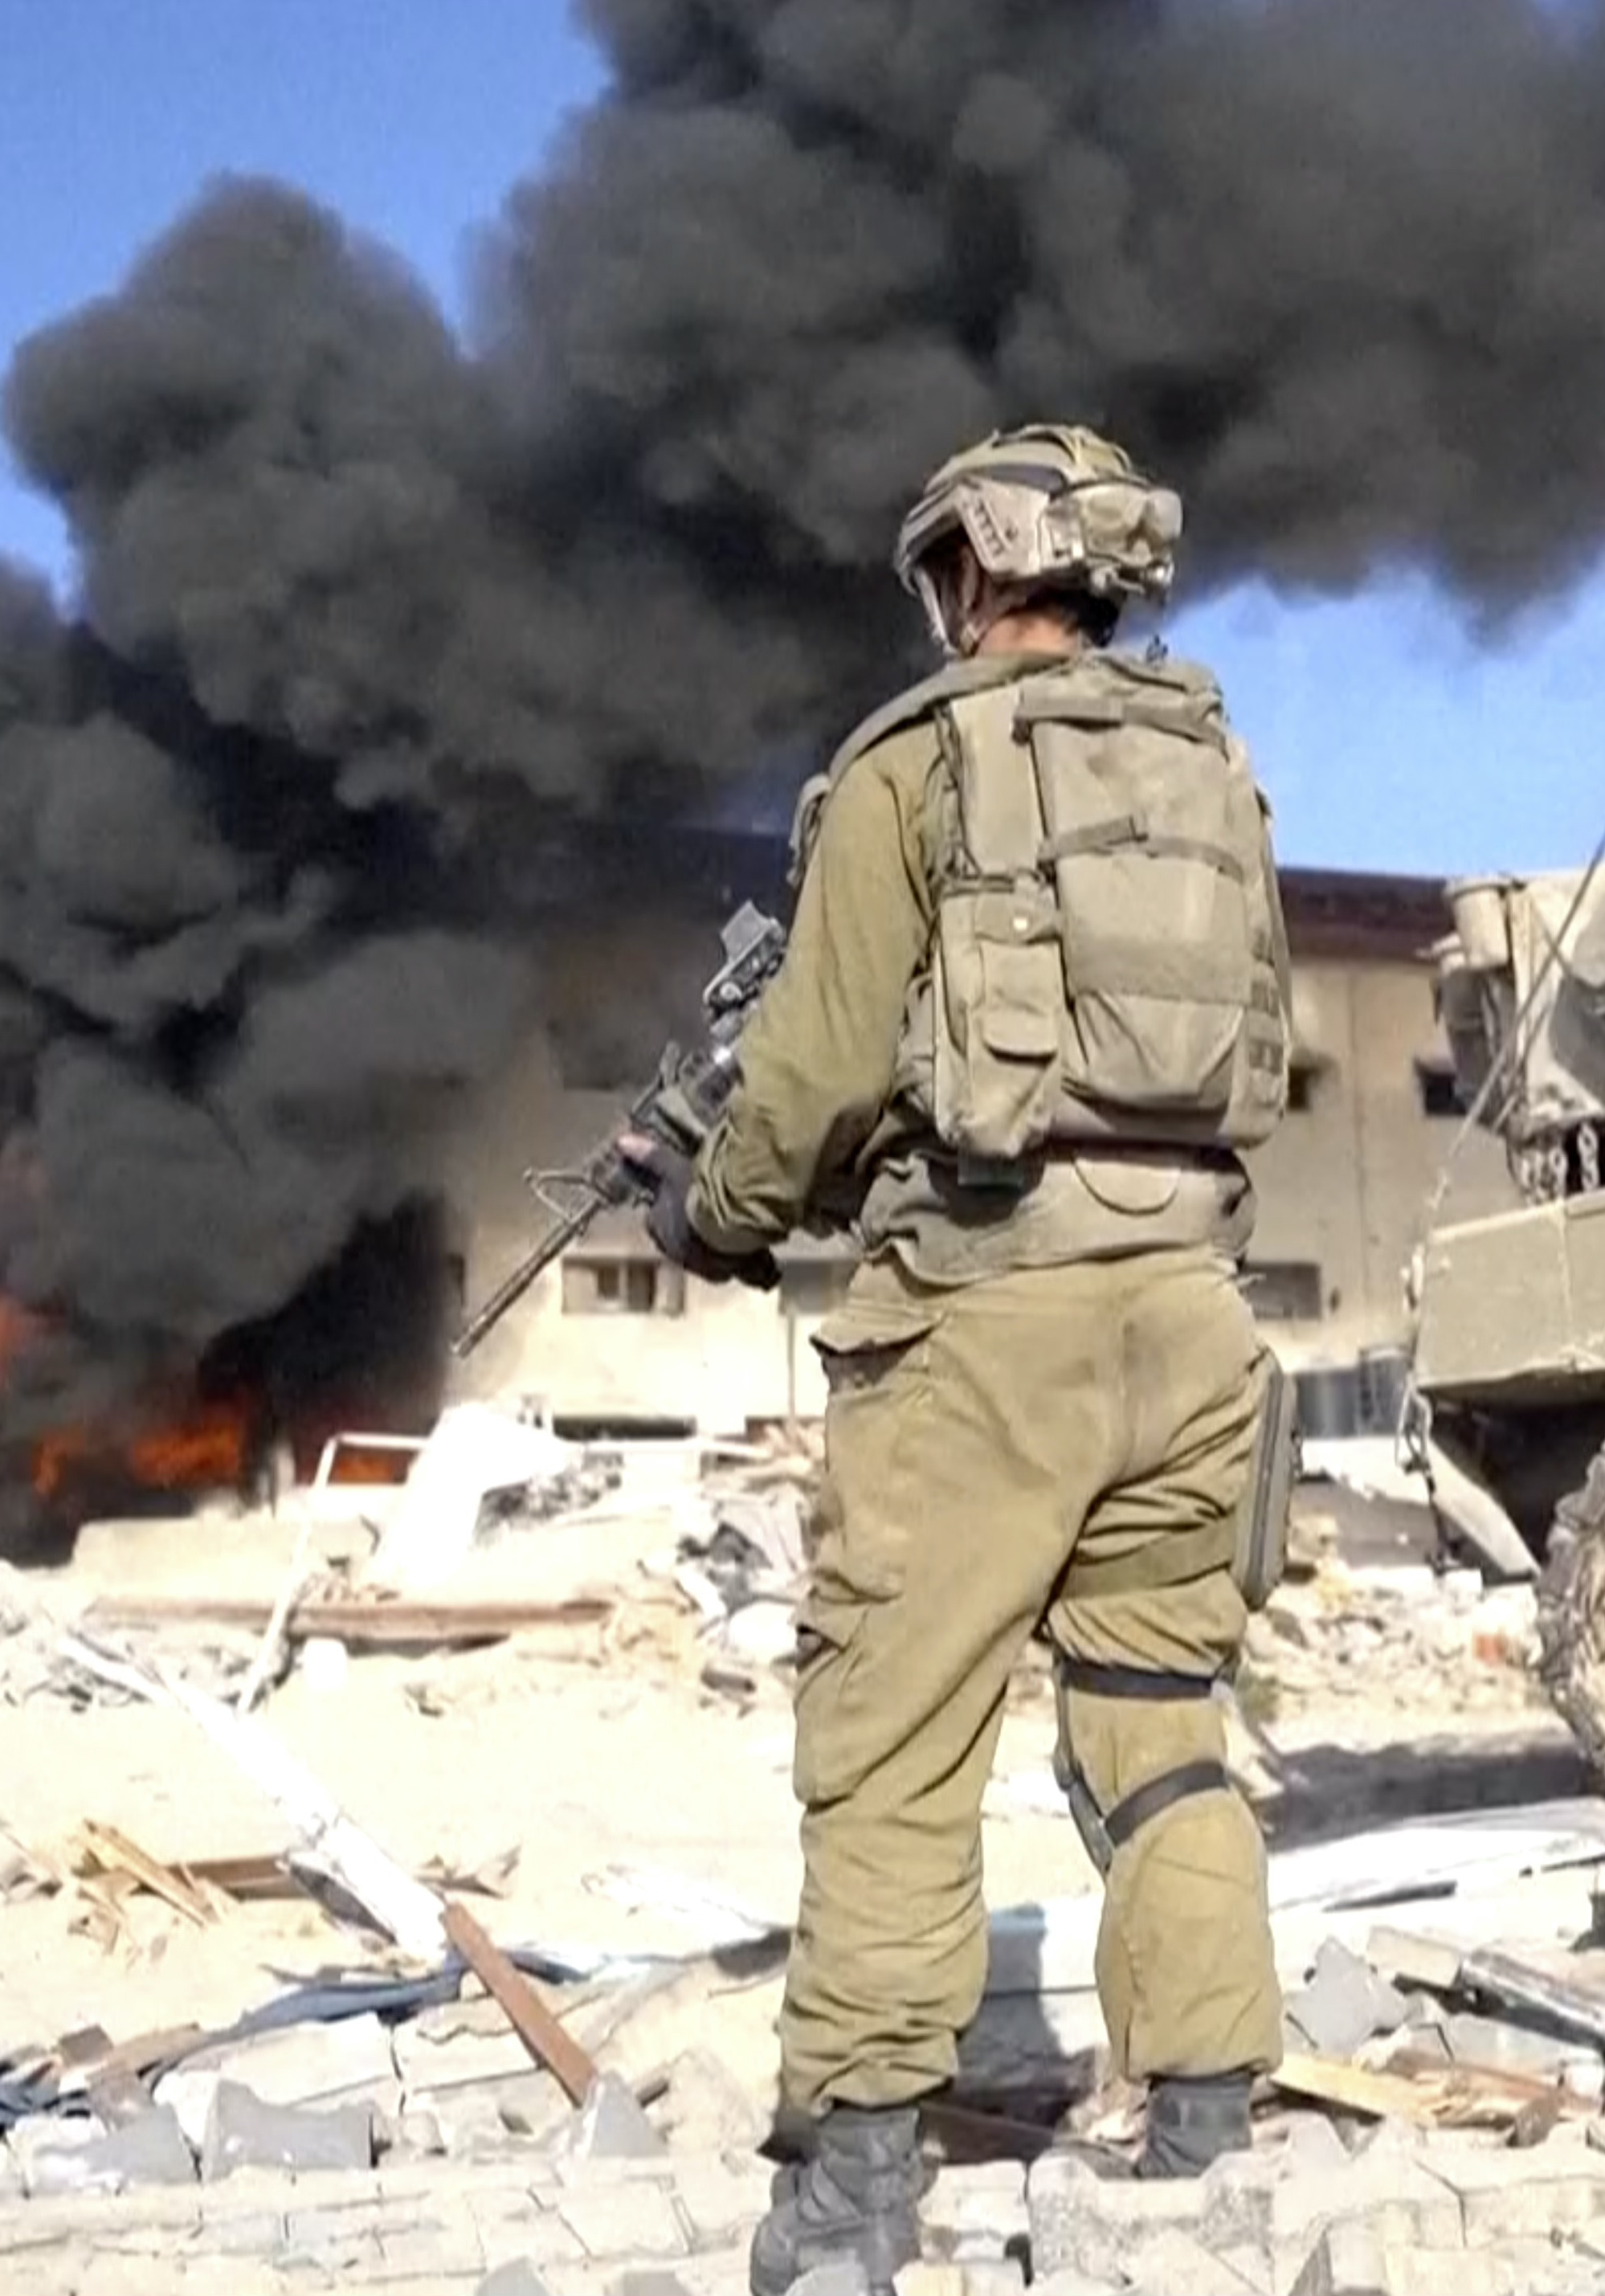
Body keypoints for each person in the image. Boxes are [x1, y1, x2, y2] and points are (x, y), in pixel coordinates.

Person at [621, 423, 1304, 2296]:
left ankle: (846, 2202)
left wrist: (709, 1211)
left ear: (970, 566)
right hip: (1193, 1320)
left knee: (890, 1747)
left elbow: (819, 1072)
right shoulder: (1214, 769)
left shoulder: (911, 764)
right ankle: (1203, 2123)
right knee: (1158, 1727)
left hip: (989, 1322)